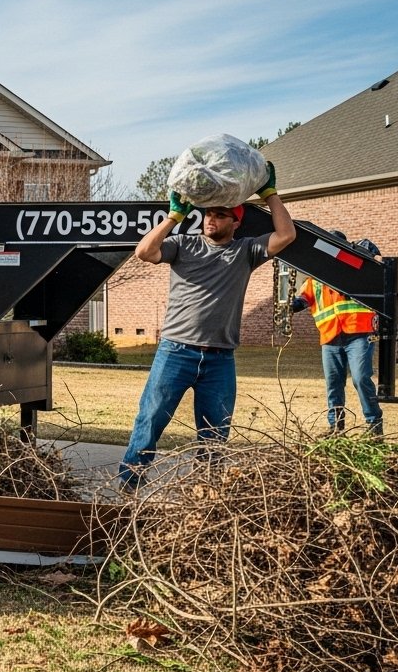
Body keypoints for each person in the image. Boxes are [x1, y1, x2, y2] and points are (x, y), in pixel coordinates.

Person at [117, 164, 295, 487]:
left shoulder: (246, 251)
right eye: (209, 213)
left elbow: (287, 235)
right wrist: (174, 217)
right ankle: (129, 487)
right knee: (150, 421)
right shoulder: (183, 245)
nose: (211, 218)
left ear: (236, 221)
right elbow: (144, 251)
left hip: (219, 360)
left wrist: (270, 194)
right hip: (176, 352)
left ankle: (206, 498)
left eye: (221, 214)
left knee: (215, 437)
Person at [289, 234, 383, 436]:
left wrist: (361, 251)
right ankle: (336, 428)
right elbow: (301, 300)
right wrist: (288, 304)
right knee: (333, 385)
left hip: (359, 333)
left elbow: (373, 257)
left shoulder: (355, 271)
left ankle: (375, 427)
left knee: (360, 378)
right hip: (330, 337)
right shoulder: (315, 279)